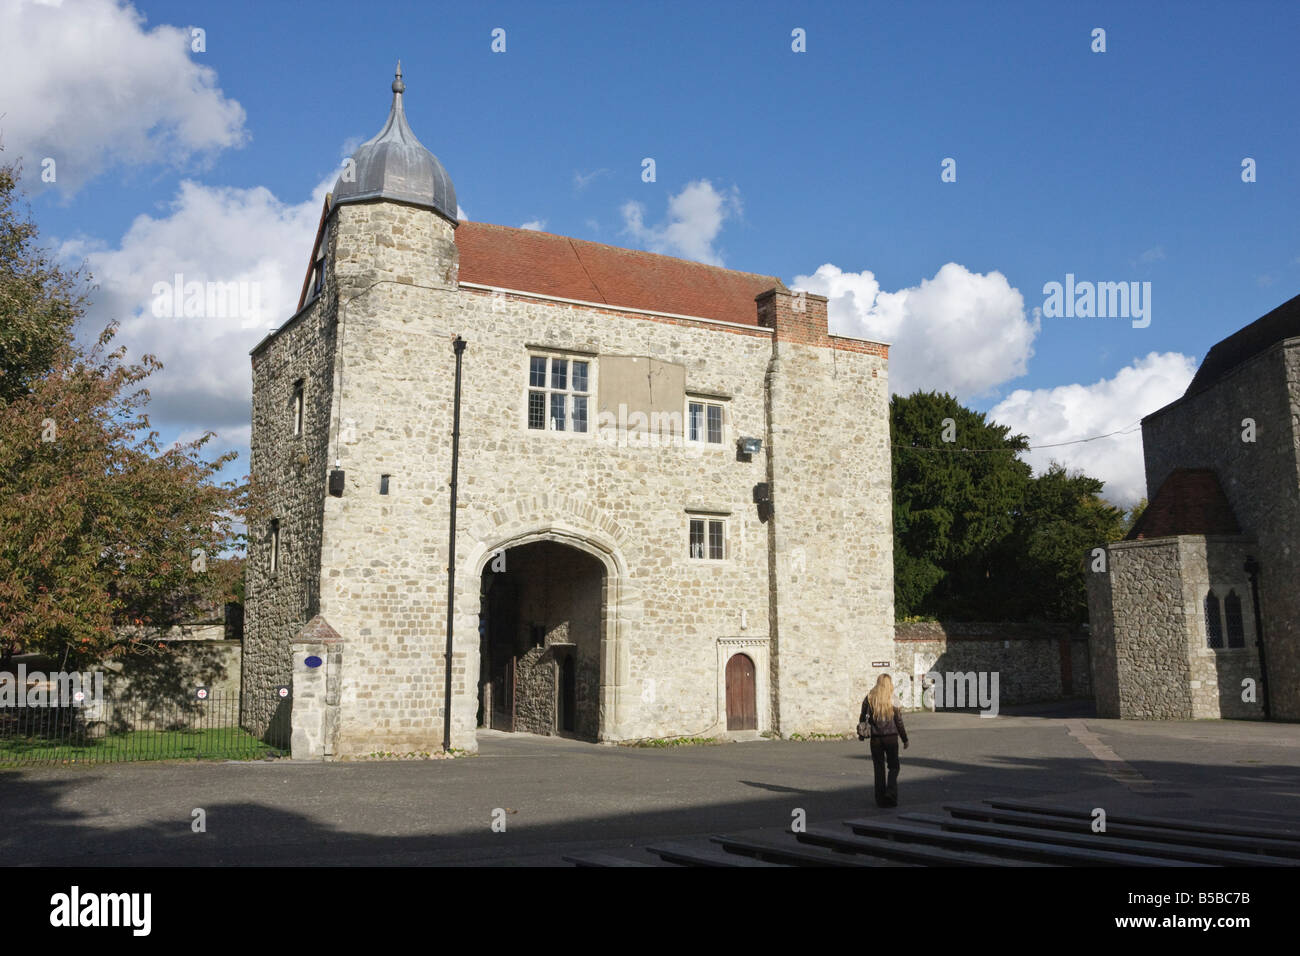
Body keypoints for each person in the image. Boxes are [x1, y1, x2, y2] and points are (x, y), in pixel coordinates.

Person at [858, 674, 909, 808]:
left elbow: (862, 717)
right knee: (894, 767)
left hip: (876, 739)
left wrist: (862, 734)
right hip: (891, 738)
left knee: (878, 768)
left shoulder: (869, 697)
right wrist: (905, 739)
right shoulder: (893, 698)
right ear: (889, 683)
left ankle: (880, 799)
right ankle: (891, 793)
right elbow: (899, 721)